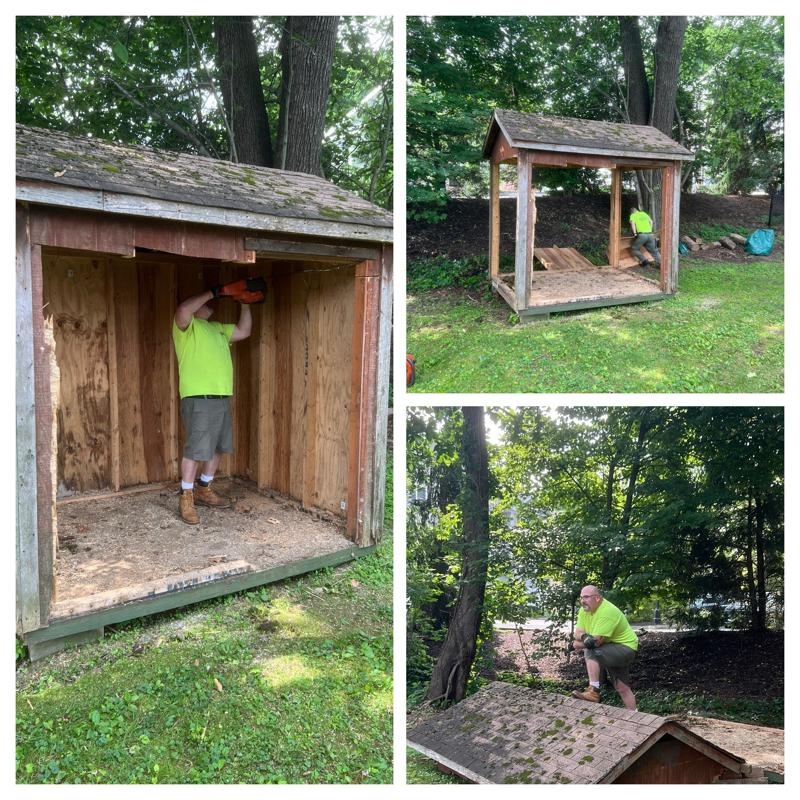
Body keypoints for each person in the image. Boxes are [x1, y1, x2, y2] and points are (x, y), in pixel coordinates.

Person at [172, 282, 253, 524]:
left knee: (218, 447)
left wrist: (245, 304)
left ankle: (204, 488)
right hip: (199, 398)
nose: (211, 305)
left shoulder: (218, 328)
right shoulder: (186, 327)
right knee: (196, 449)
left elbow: (244, 331)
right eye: (205, 302)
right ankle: (186, 496)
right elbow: (183, 310)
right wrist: (212, 292)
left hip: (220, 397)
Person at [570, 585, 638, 709]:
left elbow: (595, 643)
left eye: (586, 597)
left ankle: (593, 691)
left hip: (625, 648)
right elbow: (578, 632)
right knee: (622, 687)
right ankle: (636, 715)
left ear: (597, 598)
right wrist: (584, 636)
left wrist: (577, 644)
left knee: (591, 651)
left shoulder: (607, 611)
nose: (583, 601)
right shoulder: (584, 611)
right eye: (581, 597)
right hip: (610, 648)